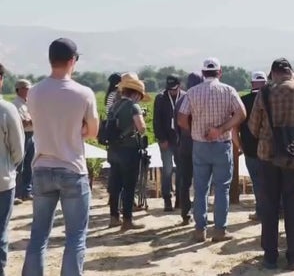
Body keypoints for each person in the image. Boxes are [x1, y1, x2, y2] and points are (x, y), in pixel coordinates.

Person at [23, 38, 99, 276]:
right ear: (72, 61)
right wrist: (74, 131)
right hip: (72, 167)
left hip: (42, 166)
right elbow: (94, 131)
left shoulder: (34, 92)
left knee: (38, 237)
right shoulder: (83, 93)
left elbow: (37, 123)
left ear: (50, 60)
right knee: (75, 237)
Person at [248, 58, 294, 271]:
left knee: (269, 207)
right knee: (293, 206)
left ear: (273, 73)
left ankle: (270, 256)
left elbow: (253, 127)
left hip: (268, 155)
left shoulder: (265, 93)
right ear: (291, 72)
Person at [178, 58, 246, 243]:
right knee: (222, 188)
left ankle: (200, 230)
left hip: (199, 145)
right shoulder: (228, 90)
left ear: (203, 73)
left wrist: (194, 130)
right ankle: (219, 230)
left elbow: (182, 118)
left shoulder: (192, 92)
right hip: (222, 145)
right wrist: (222, 129)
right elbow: (241, 113)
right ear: (220, 72)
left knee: (200, 189)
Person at [107, 73, 150, 230]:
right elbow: (142, 128)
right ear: (135, 93)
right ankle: (127, 220)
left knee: (115, 185)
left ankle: (113, 217)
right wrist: (141, 118)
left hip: (113, 151)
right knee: (129, 186)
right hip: (129, 150)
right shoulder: (133, 106)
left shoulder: (114, 106)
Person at [0, 63, 25, 276]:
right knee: (0, 234)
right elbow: (18, 150)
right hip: (2, 181)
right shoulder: (7, 109)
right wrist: (11, 166)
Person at [233, 71, 268, 222]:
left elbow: (234, 129)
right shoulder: (272, 99)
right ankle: (273, 210)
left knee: (257, 181)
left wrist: (240, 146)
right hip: (270, 148)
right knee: (271, 181)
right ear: (266, 83)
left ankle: (261, 211)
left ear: (252, 84)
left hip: (250, 148)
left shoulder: (243, 101)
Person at [174, 72, 204, 225]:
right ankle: (200, 213)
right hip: (200, 143)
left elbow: (177, 125)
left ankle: (185, 213)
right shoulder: (202, 98)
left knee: (184, 181)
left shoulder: (180, 101)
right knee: (201, 180)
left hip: (184, 145)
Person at [154, 75, 185, 211]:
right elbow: (157, 120)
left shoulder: (185, 97)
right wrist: (161, 139)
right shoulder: (160, 98)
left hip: (180, 140)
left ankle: (179, 198)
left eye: (174, 89)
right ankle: (167, 198)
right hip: (166, 139)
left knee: (181, 170)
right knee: (167, 170)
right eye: (169, 89)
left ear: (179, 86)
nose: (171, 92)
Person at [13, 79, 35, 202]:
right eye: (27, 88)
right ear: (20, 89)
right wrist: (28, 122)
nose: (29, 91)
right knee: (19, 165)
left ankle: (27, 191)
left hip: (32, 134)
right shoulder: (15, 105)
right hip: (22, 135)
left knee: (30, 164)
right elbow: (19, 122)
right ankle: (17, 193)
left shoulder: (29, 103)